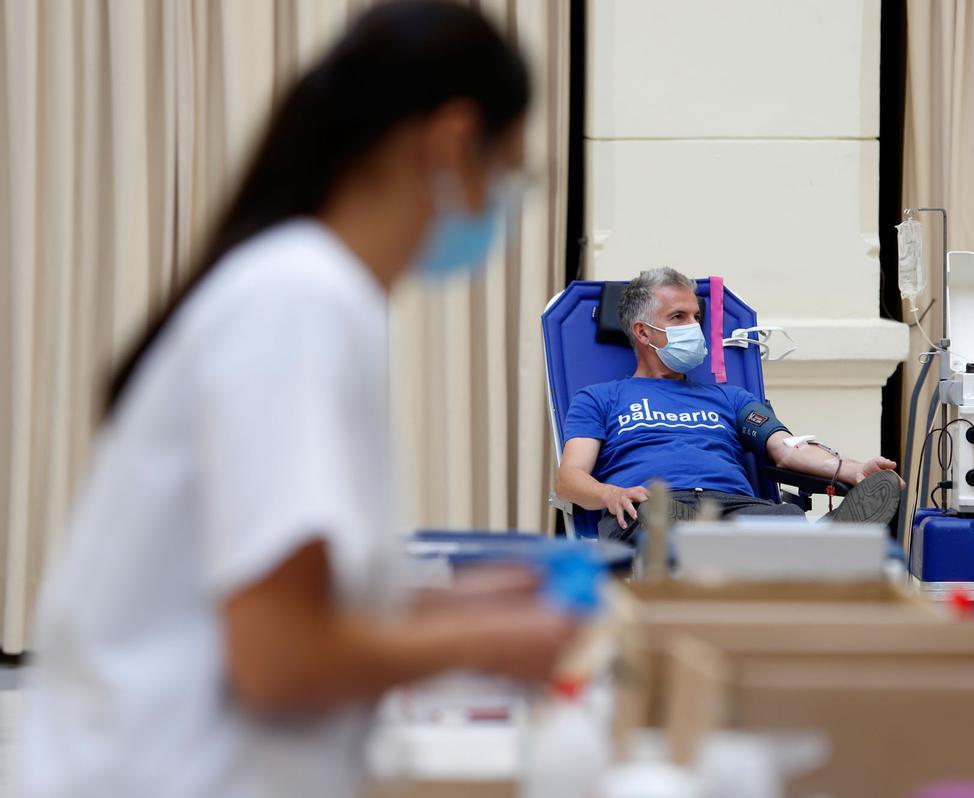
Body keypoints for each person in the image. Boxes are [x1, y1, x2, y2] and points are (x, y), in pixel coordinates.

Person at [20, 4, 577, 797]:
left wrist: (441, 606)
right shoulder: (298, 300)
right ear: (454, 142)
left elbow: (268, 604)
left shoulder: (303, 291)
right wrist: (484, 641)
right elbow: (280, 660)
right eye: (509, 173)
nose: (500, 205)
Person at [555, 267, 903, 541]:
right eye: (678, 317)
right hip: (656, 506)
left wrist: (853, 470)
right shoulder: (600, 397)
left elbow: (787, 450)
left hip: (737, 508)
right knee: (659, 514)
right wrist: (611, 495)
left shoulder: (730, 397)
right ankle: (807, 543)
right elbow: (569, 479)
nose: (694, 327)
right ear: (643, 332)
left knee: (775, 517)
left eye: (696, 317)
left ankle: (792, 538)